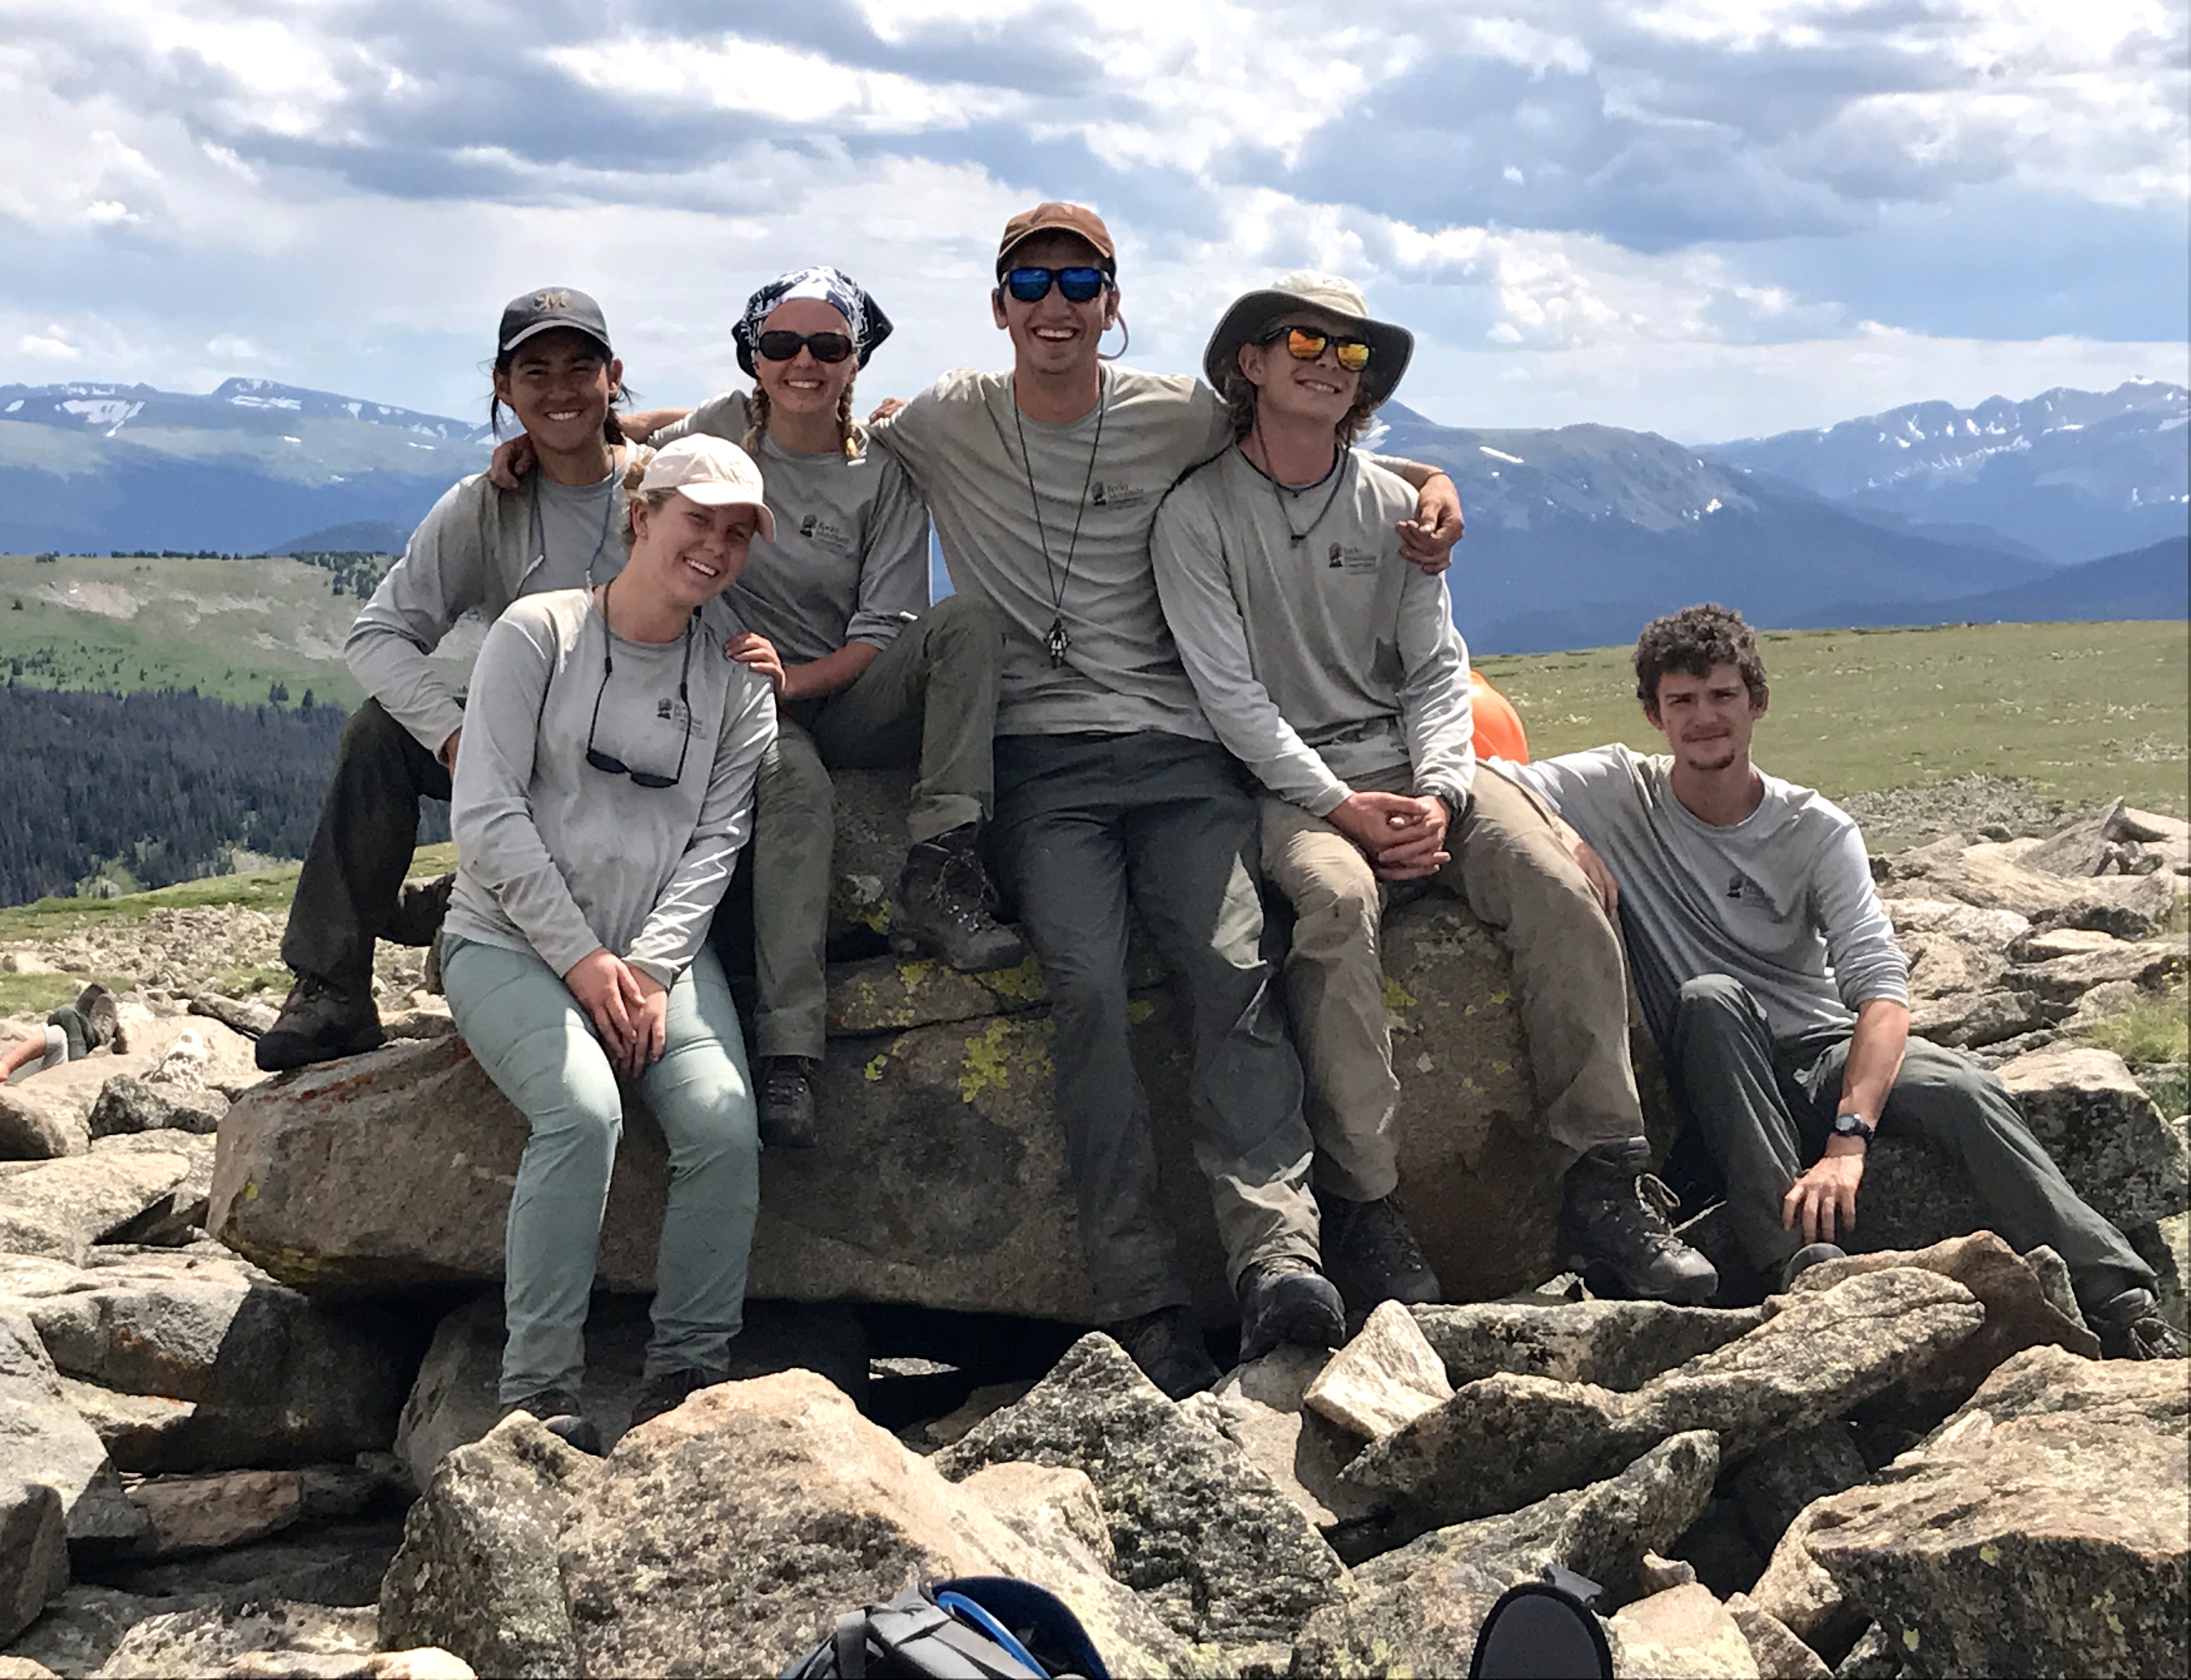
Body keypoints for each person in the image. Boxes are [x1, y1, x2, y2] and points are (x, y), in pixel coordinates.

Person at [802, 203, 1468, 1396]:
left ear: (1113, 304)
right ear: (999, 304)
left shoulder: (1176, 414)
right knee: (1089, 996)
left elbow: (1309, 432)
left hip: (1178, 752)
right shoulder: (950, 419)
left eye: (1081, 281)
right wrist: (612, 433)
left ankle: (1279, 1263)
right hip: (1042, 767)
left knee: (1228, 966)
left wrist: (1433, 480)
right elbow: (808, 423)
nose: (1056, 303)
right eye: (1032, 280)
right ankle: (1142, 1299)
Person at [1151, 272, 1716, 1311]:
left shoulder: (1401, 511)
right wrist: (1339, 806)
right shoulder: (1195, 518)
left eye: (1351, 352)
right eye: (1304, 343)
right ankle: (1367, 1210)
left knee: (1557, 880)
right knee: (1334, 904)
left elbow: (1432, 667)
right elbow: (1229, 695)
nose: (1330, 364)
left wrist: (1447, 793)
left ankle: (1606, 1186)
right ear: (1250, 363)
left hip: (1423, 767)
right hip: (1294, 786)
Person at [1501, 604, 2181, 1357]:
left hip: (1822, 1050)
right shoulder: (1614, 790)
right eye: (1682, 702)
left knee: (1963, 1088)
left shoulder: (1816, 829)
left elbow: (1882, 989)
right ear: (1653, 715)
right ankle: (1796, 1265)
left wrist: (1849, 1141)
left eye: (1722, 696)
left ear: (1756, 702)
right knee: (1712, 997)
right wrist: (1560, 830)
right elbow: (1481, 777)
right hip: (1713, 1069)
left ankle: (2120, 1297)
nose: (1704, 719)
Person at [623, 268, 1021, 1147]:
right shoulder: (723, 431)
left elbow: (885, 629)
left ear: (855, 363)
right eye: (782, 345)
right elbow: (645, 448)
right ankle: (791, 1055)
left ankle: (944, 864)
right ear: (754, 358)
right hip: (743, 708)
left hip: (837, 690)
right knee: (798, 798)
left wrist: (793, 681)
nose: (803, 362)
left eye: (828, 347)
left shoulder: (882, 471)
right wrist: (563, 440)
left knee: (966, 625)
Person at [440, 432, 777, 1449]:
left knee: (722, 1125)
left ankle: (685, 1374)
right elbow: (487, 817)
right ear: (642, 515)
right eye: (696, 521)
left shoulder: (738, 684)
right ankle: (537, 1391)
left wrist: (645, 967)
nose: (713, 548)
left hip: (654, 957)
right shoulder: (537, 633)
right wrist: (583, 961)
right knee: (582, 1112)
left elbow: (718, 841)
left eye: (735, 533)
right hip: (504, 941)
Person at [256, 288, 643, 1073]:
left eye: (581, 367)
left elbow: (748, 414)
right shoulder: (484, 507)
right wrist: (456, 735)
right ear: (504, 389)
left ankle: (443, 906)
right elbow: (378, 633)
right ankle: (332, 987)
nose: (561, 389)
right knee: (379, 734)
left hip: (642, 746)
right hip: (530, 740)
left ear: (614, 376)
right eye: (536, 371)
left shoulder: (662, 489)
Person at [0, 984, 122, 1083]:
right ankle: (96, 1035)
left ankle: (84, 1021)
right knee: (65, 1017)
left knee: (62, 1020)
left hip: (10, 1077)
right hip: (54, 1081)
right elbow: (56, 1038)